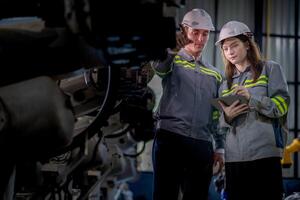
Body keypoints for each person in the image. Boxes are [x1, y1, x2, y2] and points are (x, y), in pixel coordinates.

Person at [151, 8, 225, 200]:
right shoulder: (172, 61)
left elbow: (216, 114)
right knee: (165, 195)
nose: (200, 39)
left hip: (202, 144)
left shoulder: (215, 74)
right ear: (184, 32)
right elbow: (159, 68)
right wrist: (172, 50)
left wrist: (219, 147)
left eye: (205, 34)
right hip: (170, 139)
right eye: (195, 33)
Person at [215, 21, 290, 200]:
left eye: (234, 45)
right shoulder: (225, 84)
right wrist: (226, 117)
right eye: (225, 48)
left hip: (264, 155)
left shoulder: (270, 69)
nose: (230, 52)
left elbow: (282, 105)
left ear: (247, 44)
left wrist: (252, 99)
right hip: (234, 160)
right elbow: (217, 125)